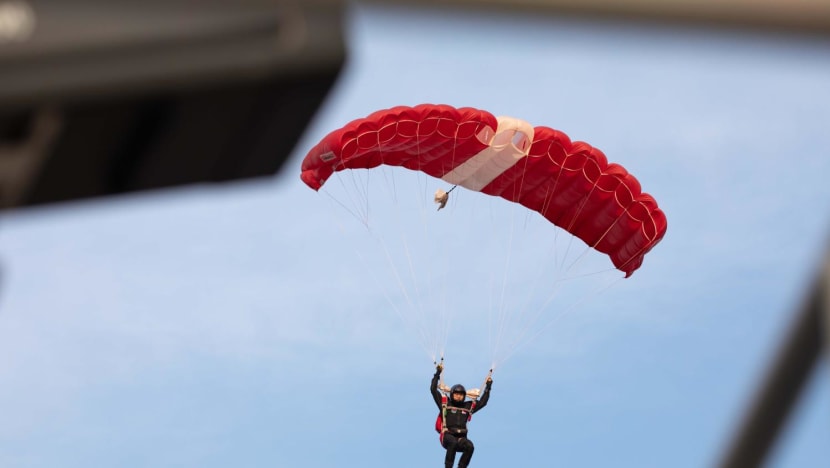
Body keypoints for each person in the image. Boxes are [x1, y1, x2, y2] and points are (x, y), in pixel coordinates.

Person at [430, 363, 493, 468]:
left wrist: (488, 387)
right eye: (456, 394)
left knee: (470, 446)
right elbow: (433, 389)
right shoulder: (445, 403)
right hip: (447, 436)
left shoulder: (468, 406)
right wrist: (437, 373)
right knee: (453, 442)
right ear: (452, 394)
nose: (458, 396)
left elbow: (483, 402)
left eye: (461, 395)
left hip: (461, 438)